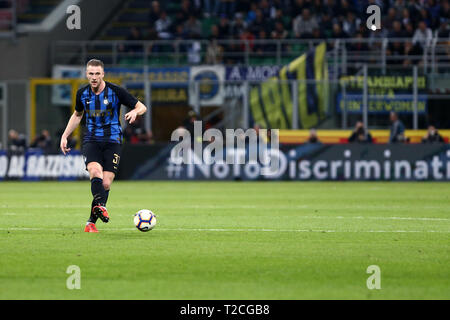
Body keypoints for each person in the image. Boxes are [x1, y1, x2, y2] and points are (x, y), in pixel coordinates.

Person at [60, 59, 147, 233]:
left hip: (113, 141)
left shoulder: (116, 91)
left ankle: (90, 223)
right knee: (95, 172)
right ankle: (100, 206)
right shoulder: (82, 93)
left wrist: (134, 112)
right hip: (91, 140)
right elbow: (77, 115)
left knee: (106, 183)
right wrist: (65, 136)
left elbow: (142, 107)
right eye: (91, 74)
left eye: (97, 74)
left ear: (103, 74)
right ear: (86, 74)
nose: (94, 77)